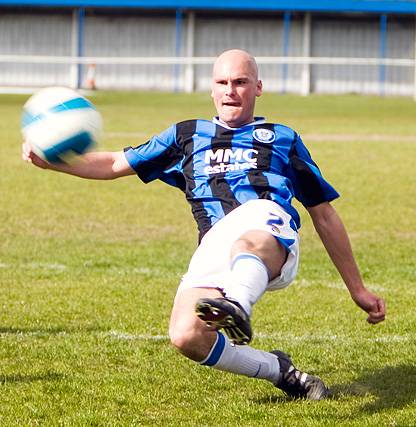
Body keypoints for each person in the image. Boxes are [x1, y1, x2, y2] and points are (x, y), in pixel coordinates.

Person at [21, 49, 386, 400]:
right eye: (223, 82)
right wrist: (54, 162)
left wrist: (357, 289)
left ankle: (238, 303)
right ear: (211, 88)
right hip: (215, 245)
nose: (231, 91)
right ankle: (281, 372)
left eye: (241, 82)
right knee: (186, 336)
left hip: (270, 230)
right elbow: (117, 163)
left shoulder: (283, 138)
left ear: (258, 88)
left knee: (254, 224)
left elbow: (323, 213)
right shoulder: (185, 136)